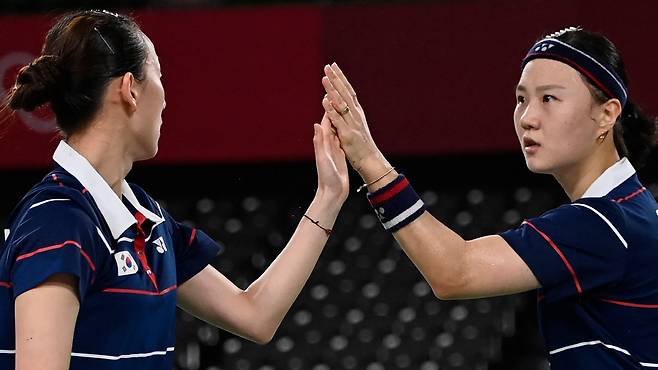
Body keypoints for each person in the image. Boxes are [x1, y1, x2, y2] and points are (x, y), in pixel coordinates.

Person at [0, 9, 348, 370]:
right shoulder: (58, 221)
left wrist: (329, 196)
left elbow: (255, 315)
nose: (165, 99)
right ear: (130, 89)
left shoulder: (147, 220)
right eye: (159, 76)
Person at [321, 27, 658, 368]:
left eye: (549, 99)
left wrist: (368, 161)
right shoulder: (634, 209)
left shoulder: (604, 222)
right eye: (521, 99)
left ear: (607, 113)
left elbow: (455, 271)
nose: (527, 119)